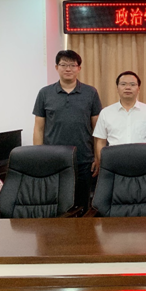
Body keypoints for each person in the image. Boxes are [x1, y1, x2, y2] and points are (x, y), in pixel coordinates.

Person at [32, 50, 102, 211]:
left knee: (82, 204)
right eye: (63, 65)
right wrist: (39, 156)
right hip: (53, 159)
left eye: (72, 65)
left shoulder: (90, 92)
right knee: (55, 203)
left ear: (79, 68)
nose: (68, 69)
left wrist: (97, 157)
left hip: (84, 159)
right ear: (56, 67)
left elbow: (98, 129)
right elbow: (39, 128)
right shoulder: (45, 93)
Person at [93, 71, 146, 165]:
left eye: (132, 84)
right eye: (123, 84)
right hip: (114, 164)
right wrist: (103, 163)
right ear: (117, 88)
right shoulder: (106, 113)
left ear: (138, 88)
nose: (128, 88)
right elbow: (100, 141)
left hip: (144, 163)